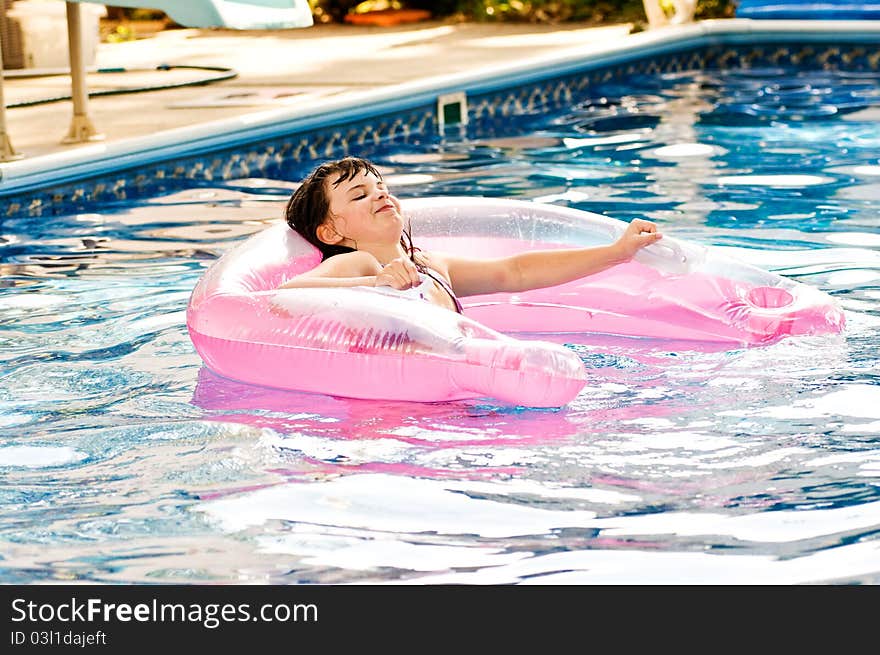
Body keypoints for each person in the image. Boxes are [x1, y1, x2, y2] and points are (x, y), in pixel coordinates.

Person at [279, 156, 662, 313]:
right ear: (331, 232)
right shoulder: (358, 261)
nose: (379, 194)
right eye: (360, 195)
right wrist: (374, 282)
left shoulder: (426, 264)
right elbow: (287, 294)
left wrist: (617, 252)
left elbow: (514, 273)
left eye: (380, 187)